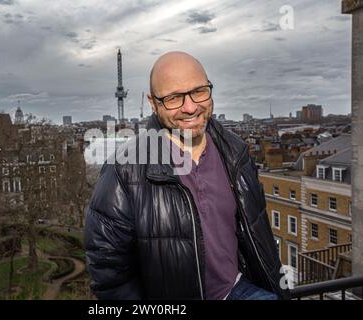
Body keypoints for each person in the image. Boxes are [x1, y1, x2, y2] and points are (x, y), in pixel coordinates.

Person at [84, 51, 291, 300]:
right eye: (173, 98)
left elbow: (258, 235)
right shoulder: (123, 170)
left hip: (239, 290)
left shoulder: (236, 152)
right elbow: (109, 274)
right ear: (153, 102)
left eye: (199, 91)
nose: (191, 107)